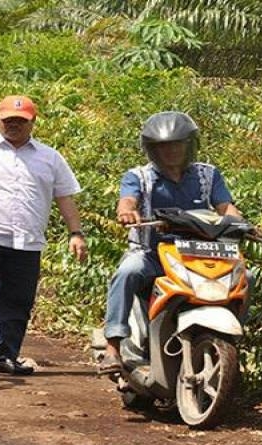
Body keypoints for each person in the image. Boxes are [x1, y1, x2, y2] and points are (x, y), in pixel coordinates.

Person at [0, 95, 88, 375]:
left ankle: (5, 355)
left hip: (27, 239)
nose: (13, 125)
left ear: (33, 122)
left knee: (18, 299)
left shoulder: (50, 157)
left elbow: (65, 198)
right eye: (8, 120)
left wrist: (76, 232)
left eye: (20, 121)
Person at [97, 111, 241, 374]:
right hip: (152, 253)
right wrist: (127, 212)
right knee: (127, 272)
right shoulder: (138, 176)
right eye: (163, 147)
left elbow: (226, 207)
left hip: (201, 255)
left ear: (190, 146)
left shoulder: (208, 175)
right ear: (152, 150)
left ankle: (235, 340)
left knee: (246, 277)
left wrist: (239, 222)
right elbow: (128, 200)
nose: (171, 151)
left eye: (178, 144)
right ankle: (113, 347)